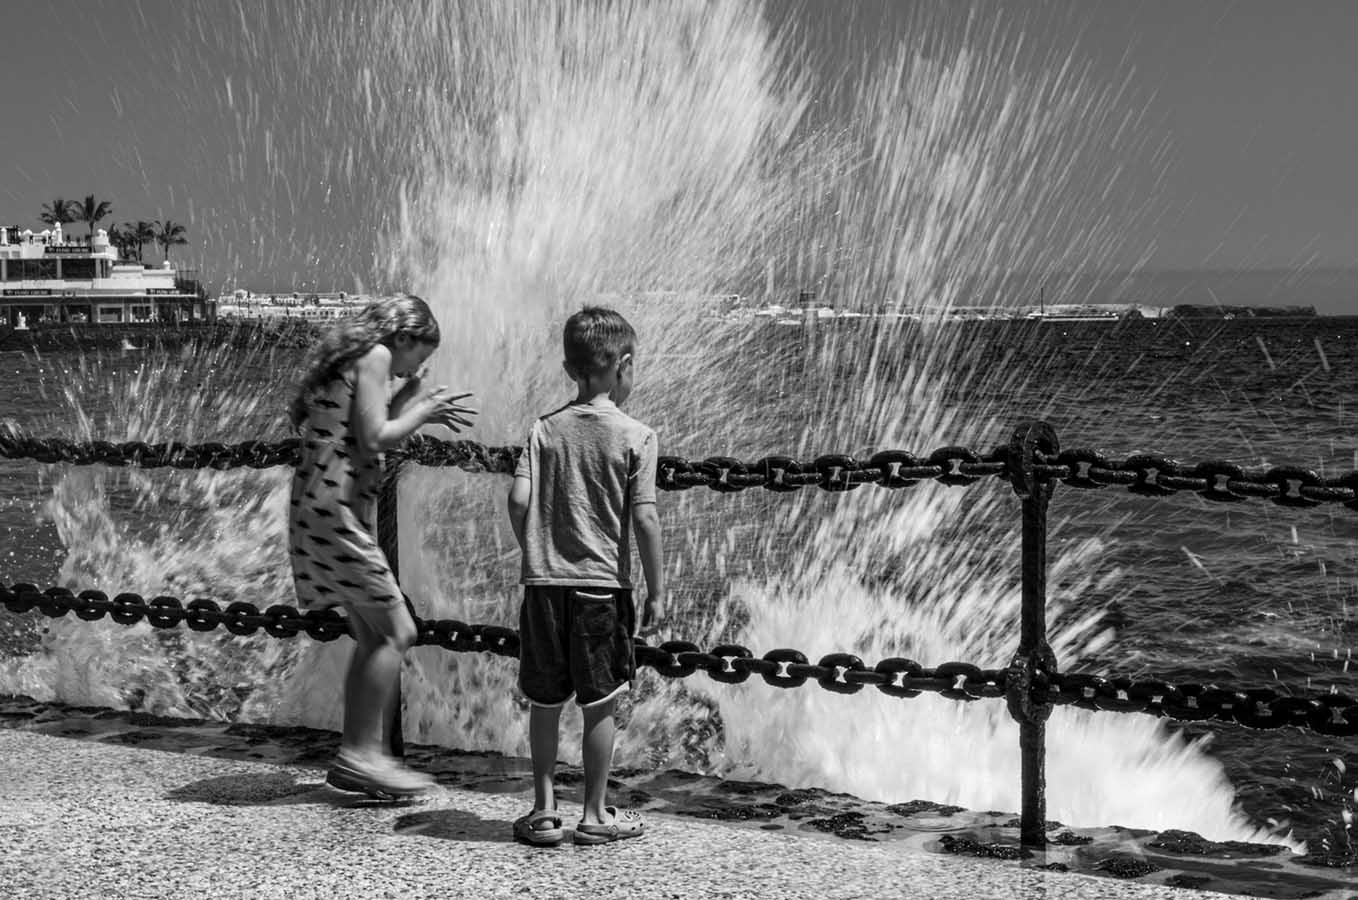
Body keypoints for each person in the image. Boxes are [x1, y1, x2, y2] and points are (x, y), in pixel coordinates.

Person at [289, 294, 476, 800]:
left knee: (373, 635)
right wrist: (424, 410)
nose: (421, 364)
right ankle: (361, 756)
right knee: (398, 630)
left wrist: (410, 404)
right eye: (421, 354)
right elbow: (373, 439)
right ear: (404, 338)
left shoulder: (358, 360)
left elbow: (361, 428)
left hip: (319, 508)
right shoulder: (374, 357)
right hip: (337, 513)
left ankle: (358, 755)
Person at [507, 305, 665, 846]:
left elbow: (518, 498)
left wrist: (534, 547)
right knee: (601, 703)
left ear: (572, 368)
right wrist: (658, 589)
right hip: (602, 587)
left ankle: (544, 811)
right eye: (633, 366)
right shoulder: (637, 435)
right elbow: (644, 518)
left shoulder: (543, 430)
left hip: (543, 587)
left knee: (545, 701)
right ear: (621, 364)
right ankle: (595, 814)